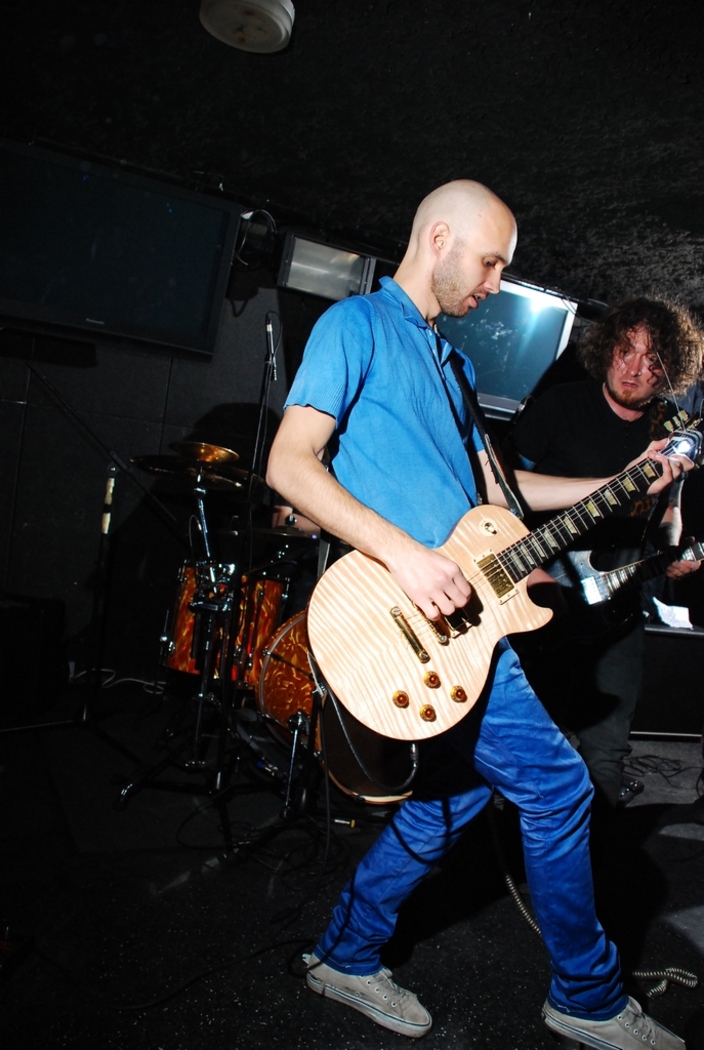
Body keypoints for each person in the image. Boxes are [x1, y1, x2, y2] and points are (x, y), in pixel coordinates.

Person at [266, 180, 693, 1048]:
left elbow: (505, 497)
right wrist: (405, 555)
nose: (496, 283)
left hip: (466, 626)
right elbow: (291, 463)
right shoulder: (357, 325)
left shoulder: (454, 367)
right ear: (439, 239)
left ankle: (344, 954)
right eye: (491, 262)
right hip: (404, 607)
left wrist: (625, 483)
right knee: (559, 787)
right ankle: (587, 999)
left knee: (447, 805)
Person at [508, 298, 703, 819]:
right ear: (607, 348)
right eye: (625, 351)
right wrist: (528, 568)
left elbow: (669, 511)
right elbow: (500, 493)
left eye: (652, 360)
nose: (634, 369)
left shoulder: (670, 427)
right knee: (531, 736)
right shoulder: (561, 404)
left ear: (671, 369)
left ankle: (595, 848)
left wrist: (673, 551)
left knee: (607, 749)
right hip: (544, 593)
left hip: (620, 607)